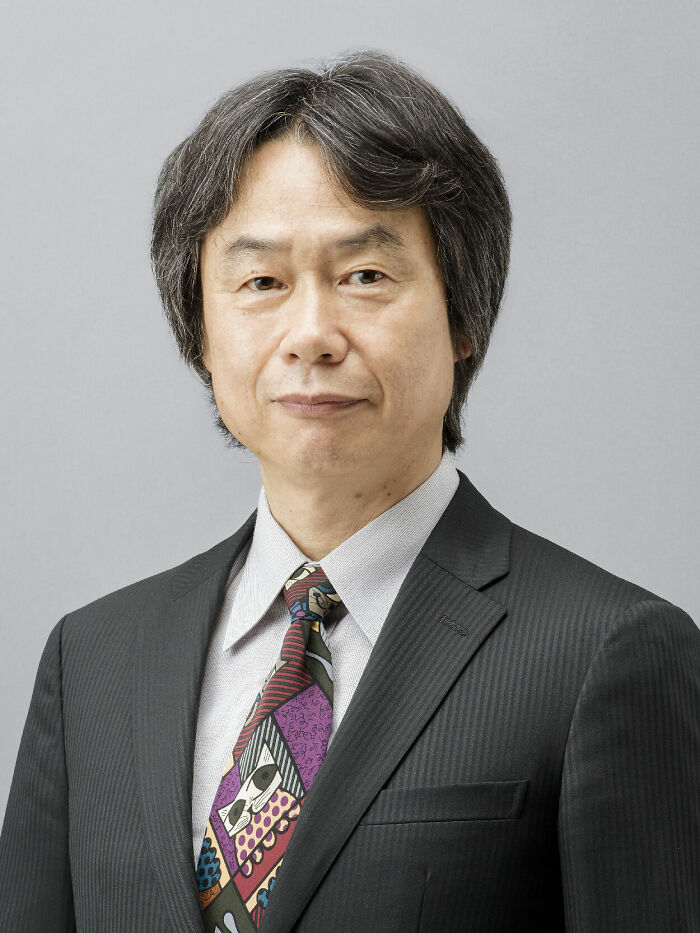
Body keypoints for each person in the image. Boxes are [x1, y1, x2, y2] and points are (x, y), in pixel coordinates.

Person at [1, 48, 698, 933]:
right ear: (200, 334)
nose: (312, 333)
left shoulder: (607, 652)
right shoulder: (91, 661)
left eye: (364, 275)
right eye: (260, 282)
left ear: (464, 318)